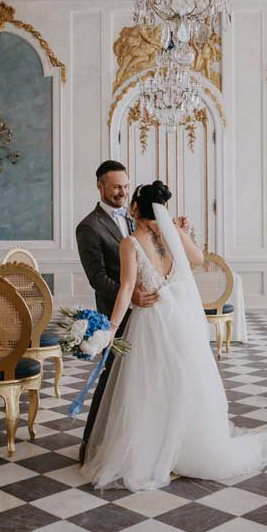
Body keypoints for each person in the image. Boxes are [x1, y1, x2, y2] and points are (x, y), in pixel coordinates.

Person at [81, 181, 267, 491]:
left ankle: (154, 450)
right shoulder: (171, 235)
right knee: (183, 381)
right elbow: (197, 259)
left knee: (149, 386)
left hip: (149, 322)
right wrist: (180, 231)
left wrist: (110, 330)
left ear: (136, 207)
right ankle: (186, 447)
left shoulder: (130, 243)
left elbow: (126, 290)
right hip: (179, 321)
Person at [75, 160, 158, 464]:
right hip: (117, 313)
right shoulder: (88, 227)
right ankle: (91, 444)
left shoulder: (137, 218)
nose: (123, 192)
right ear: (100, 187)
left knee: (143, 379)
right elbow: (97, 277)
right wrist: (131, 294)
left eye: (125, 185)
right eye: (116, 187)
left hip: (149, 316)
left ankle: (140, 442)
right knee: (111, 379)